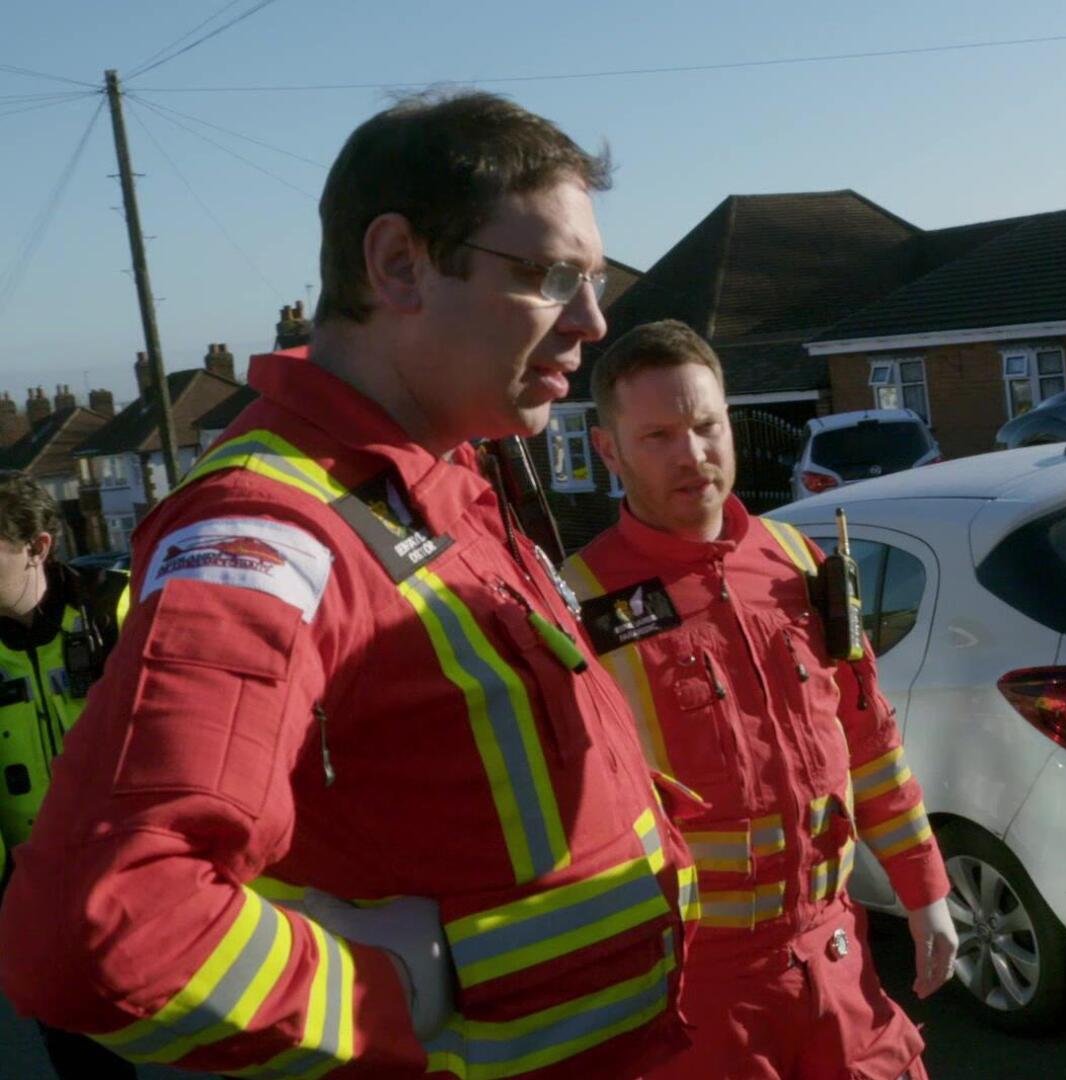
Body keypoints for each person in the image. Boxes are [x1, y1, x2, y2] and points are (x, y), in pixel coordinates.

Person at [0, 92, 699, 1078]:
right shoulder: (269, 526)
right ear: (399, 264)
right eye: (550, 275)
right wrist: (394, 1006)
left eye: (595, 280)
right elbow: (100, 930)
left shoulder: (449, 469)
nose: (593, 320)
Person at [563, 319, 957, 1080]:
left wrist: (924, 887)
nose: (693, 454)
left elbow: (868, 739)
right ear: (608, 451)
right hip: (696, 998)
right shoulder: (575, 608)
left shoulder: (798, 563)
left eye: (707, 426)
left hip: (837, 960)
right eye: (659, 437)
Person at [0, 471, 135, 1079]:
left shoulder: (119, 606)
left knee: (237, 1049)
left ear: (38, 546)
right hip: (40, 901)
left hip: (149, 879)